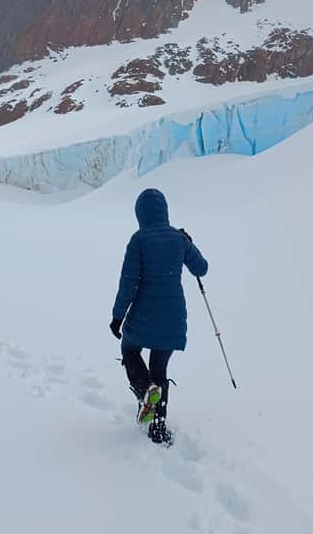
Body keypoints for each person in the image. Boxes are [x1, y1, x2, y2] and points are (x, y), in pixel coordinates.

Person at [110, 188, 208, 444]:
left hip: (143, 315)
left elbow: (128, 283)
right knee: (159, 369)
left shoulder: (139, 240)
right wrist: (188, 241)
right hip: (174, 318)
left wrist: (117, 317)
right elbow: (202, 268)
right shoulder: (178, 239)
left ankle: (145, 391)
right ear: (164, 211)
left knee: (130, 350)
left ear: (140, 214)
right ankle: (158, 427)